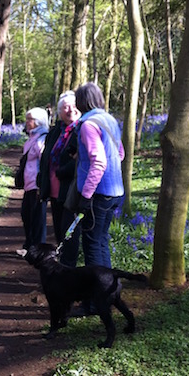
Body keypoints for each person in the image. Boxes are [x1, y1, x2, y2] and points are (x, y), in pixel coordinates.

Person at [74, 82, 124, 268]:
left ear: (81, 102)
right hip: (115, 191)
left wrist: (86, 195)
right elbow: (120, 154)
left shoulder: (88, 125)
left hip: (98, 194)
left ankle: (96, 294)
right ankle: (107, 292)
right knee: (101, 241)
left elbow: (99, 161)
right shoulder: (110, 120)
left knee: (92, 244)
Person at [39, 91, 81, 266]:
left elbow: (82, 160)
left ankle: (68, 269)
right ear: (59, 111)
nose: (70, 110)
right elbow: (45, 158)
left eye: (73, 106)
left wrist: (64, 170)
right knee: (58, 230)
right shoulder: (56, 131)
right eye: (65, 107)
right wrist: (41, 185)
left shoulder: (82, 129)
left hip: (71, 189)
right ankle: (62, 267)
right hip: (54, 190)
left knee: (69, 232)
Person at [20, 107, 49, 249]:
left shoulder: (42, 139)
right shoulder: (32, 138)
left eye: (30, 119)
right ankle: (30, 245)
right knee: (26, 215)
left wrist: (41, 184)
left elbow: (44, 163)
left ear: (38, 122)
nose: (27, 122)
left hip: (36, 184)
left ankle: (38, 249)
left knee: (37, 218)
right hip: (28, 184)